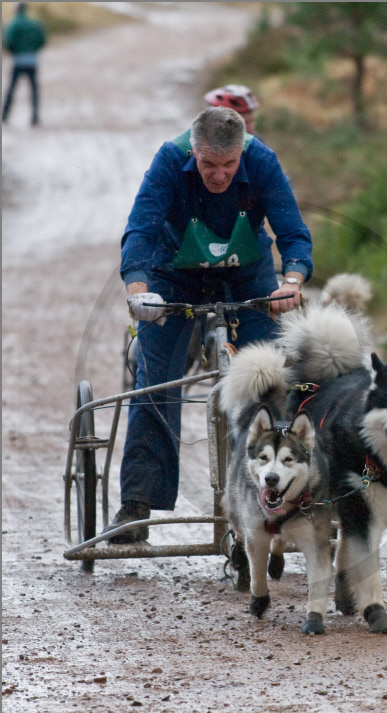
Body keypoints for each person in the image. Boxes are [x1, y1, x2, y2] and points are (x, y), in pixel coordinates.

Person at [104, 106, 312, 543]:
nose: (219, 175)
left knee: (269, 378)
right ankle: (137, 504)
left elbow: (293, 233)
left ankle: (275, 500)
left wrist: (291, 281)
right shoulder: (167, 160)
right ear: (194, 152)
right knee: (155, 381)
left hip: (246, 275)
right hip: (173, 277)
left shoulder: (263, 161)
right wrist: (138, 289)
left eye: (228, 165)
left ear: (241, 155)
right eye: (208, 165)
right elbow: (140, 230)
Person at [2, 3, 47, 126]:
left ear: (16, 10)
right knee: (33, 90)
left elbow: (7, 41)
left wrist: (14, 52)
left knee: (11, 89)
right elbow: (42, 40)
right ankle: (35, 116)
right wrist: (33, 50)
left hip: (17, 61)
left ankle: (4, 116)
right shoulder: (35, 23)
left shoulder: (13, 23)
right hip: (32, 61)